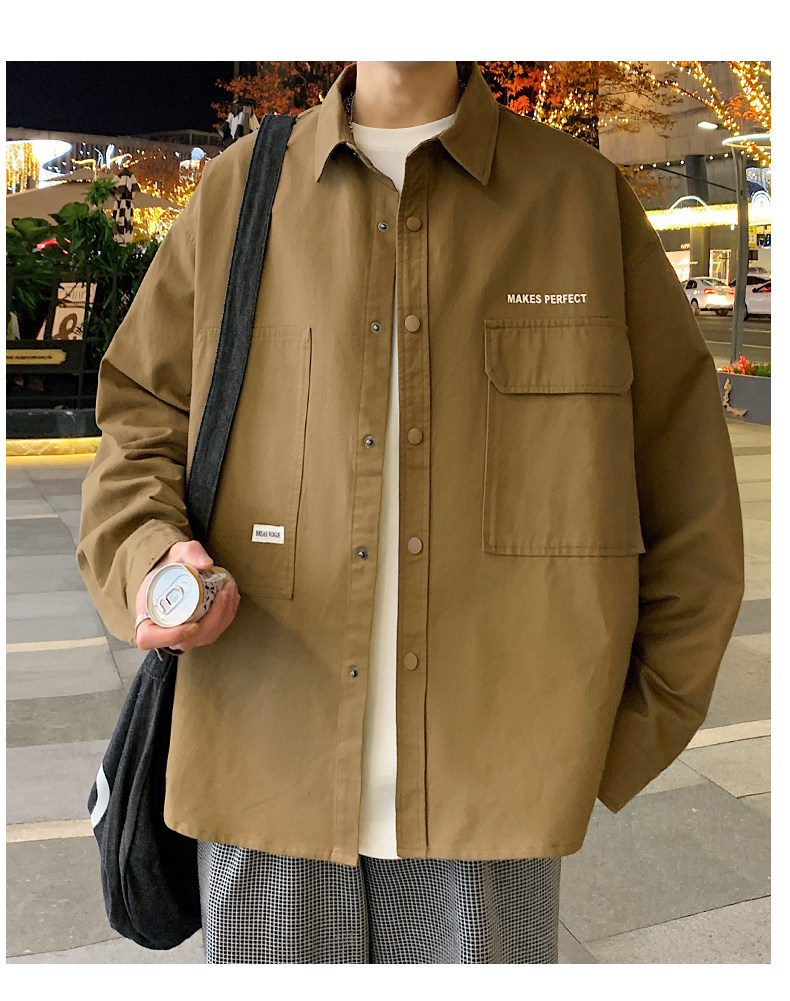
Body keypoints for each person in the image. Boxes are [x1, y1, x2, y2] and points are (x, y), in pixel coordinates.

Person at [76, 60, 745, 964]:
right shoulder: (239, 193)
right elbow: (138, 422)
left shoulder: (579, 199)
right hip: (263, 773)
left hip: (495, 791)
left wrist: (614, 737)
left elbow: (689, 490)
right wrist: (152, 556)